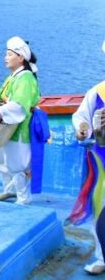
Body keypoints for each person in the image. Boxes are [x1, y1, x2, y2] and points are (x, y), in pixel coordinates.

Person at [0, 36, 40, 206]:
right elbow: (0, 95)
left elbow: (19, 104)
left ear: (21, 58)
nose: (6, 57)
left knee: (17, 163)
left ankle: (24, 198)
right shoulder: (13, 77)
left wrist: (1, 111)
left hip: (19, 128)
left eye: (9, 54)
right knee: (0, 159)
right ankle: (9, 190)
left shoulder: (25, 78)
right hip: (7, 126)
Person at [72, 40, 105, 275]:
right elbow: (81, 116)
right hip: (102, 162)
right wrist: (84, 127)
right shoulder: (98, 91)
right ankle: (102, 255)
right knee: (99, 207)